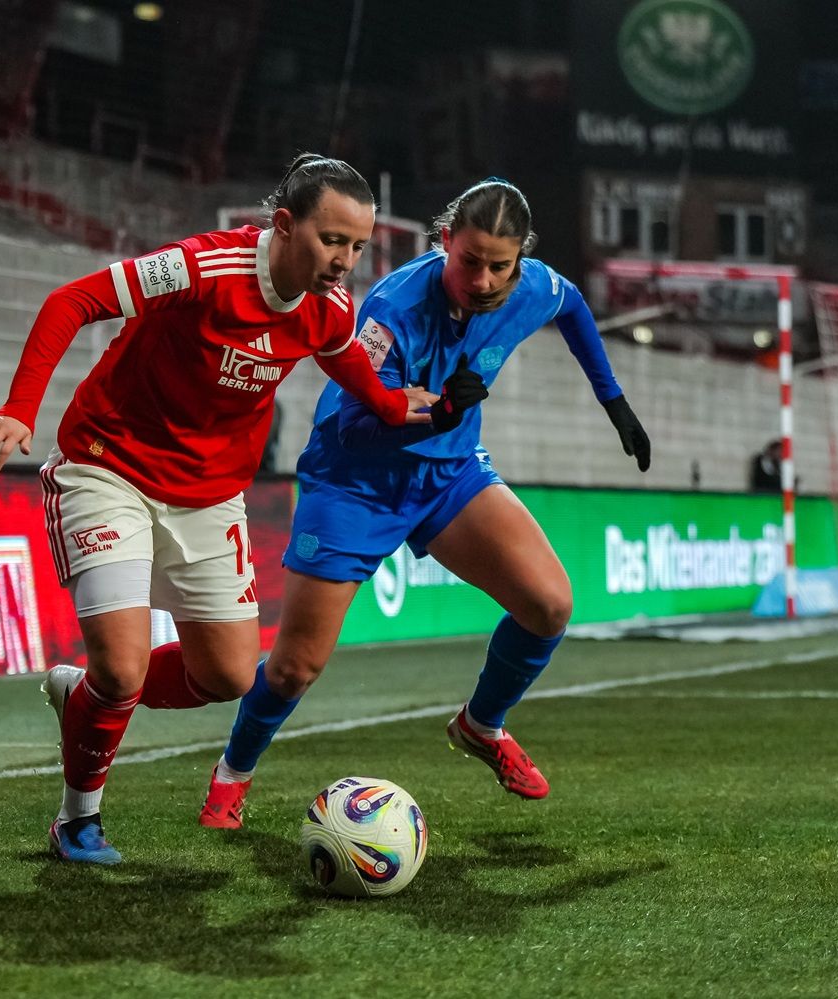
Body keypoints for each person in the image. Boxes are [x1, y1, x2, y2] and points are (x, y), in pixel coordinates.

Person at [0, 154, 438, 865]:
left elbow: (348, 364)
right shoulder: (199, 268)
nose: (344, 260)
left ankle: (85, 697)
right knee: (123, 668)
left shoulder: (326, 305)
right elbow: (73, 301)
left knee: (226, 676)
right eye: (331, 240)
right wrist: (17, 408)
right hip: (108, 465)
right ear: (283, 225)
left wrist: (395, 404)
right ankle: (77, 818)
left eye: (356, 246)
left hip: (209, 495)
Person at [196, 178, 651, 829]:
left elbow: (573, 304)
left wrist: (614, 402)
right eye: (471, 261)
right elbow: (354, 427)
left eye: (501, 264)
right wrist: (437, 413)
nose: (486, 278)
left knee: (548, 604)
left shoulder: (530, 286)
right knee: (295, 666)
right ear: (445, 243)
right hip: (354, 484)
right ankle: (231, 774)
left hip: (450, 477)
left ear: (519, 258)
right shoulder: (390, 310)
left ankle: (480, 725)